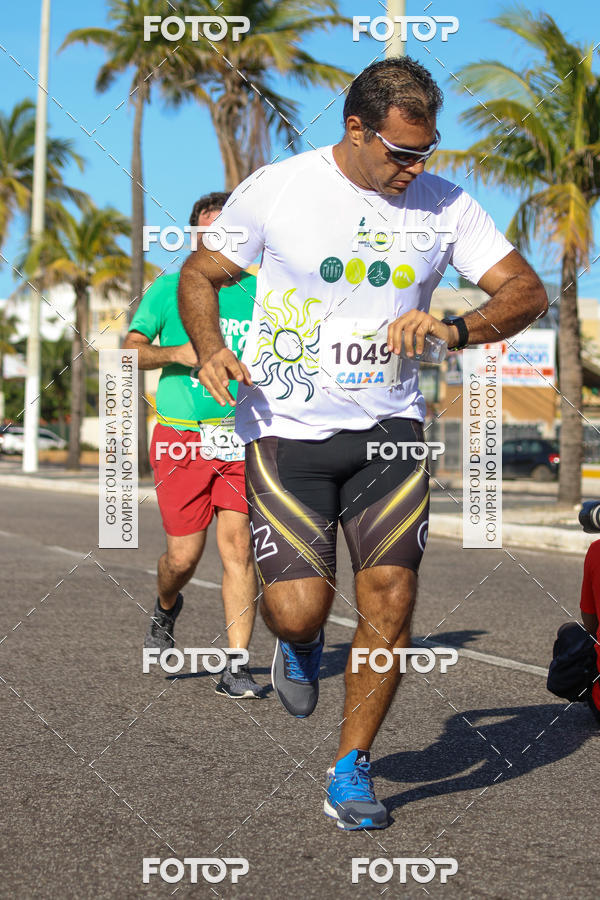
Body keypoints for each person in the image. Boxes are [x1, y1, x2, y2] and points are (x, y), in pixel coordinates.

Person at [178, 58, 547, 829]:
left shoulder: (445, 205)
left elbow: (526, 291)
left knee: (391, 597)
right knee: (300, 611)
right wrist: (210, 347)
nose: (416, 168)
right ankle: (301, 644)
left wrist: (454, 328)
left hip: (392, 432)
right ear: (356, 129)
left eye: (427, 152)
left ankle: (352, 769)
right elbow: (201, 274)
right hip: (286, 432)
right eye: (402, 153)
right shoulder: (280, 186)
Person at [123, 192, 262, 699]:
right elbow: (129, 355)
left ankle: (236, 665)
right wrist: (174, 352)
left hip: (243, 437)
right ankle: (165, 607)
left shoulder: (263, 291)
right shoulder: (168, 288)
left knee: (238, 548)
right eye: (208, 233)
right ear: (194, 236)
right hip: (181, 437)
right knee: (182, 557)